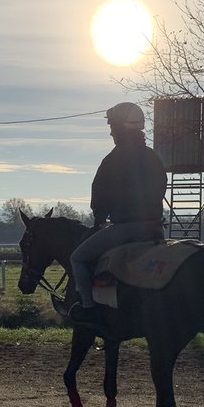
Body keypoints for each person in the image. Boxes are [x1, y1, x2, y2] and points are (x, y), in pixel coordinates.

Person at [59, 101, 167, 334]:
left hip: (126, 229)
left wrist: (99, 218)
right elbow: (161, 190)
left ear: (119, 127)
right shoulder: (153, 157)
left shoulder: (112, 159)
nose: (110, 131)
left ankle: (88, 308)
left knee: (77, 258)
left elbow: (99, 196)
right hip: (155, 229)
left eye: (111, 126)